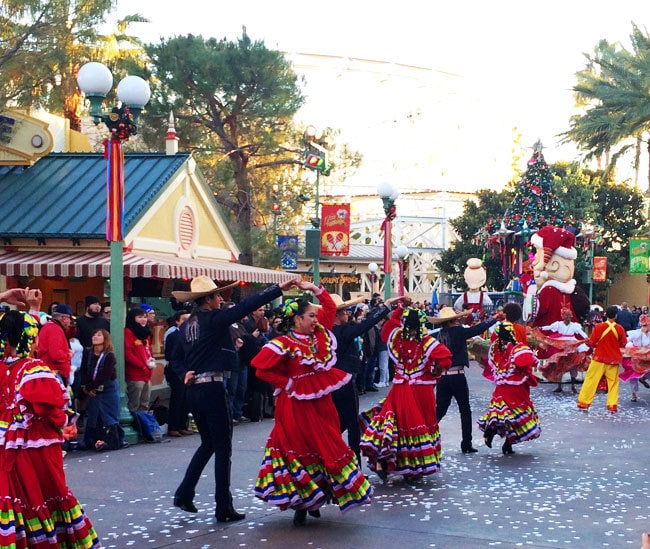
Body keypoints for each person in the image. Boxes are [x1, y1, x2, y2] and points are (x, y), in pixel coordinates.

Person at [172, 275, 298, 523]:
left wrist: (182, 373)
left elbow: (176, 358)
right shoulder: (214, 319)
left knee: (208, 443)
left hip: (194, 389)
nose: (221, 299)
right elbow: (246, 306)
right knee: (222, 447)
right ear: (208, 300)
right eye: (217, 296)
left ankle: (185, 493)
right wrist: (277, 289)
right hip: (212, 387)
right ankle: (223, 506)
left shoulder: (188, 325)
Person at [252, 282, 373, 527]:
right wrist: (286, 384)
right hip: (295, 404)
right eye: (309, 316)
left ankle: (317, 496)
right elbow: (260, 368)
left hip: (320, 402)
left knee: (325, 446)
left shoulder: (318, 336)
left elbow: (329, 307)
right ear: (296, 319)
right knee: (297, 448)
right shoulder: (284, 343)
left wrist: (314, 288)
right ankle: (302, 502)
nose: (314, 320)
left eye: (314, 316)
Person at [0, 308, 101, 547]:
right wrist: (64, 422)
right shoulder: (33, 369)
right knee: (47, 493)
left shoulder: (3, 368)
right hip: (36, 446)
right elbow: (52, 409)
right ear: (30, 337)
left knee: (16, 496)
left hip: (7, 443)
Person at [360, 303, 452, 482]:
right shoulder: (428, 343)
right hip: (420, 391)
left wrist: (400, 308)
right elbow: (446, 359)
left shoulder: (396, 338)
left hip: (400, 388)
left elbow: (388, 327)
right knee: (421, 424)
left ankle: (384, 460)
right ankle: (413, 466)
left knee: (395, 424)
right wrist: (434, 371)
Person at [331, 293, 397, 463]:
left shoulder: (325, 332)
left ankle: (330, 452)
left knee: (338, 421)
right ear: (337, 314)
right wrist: (385, 307)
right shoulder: (341, 331)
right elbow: (367, 324)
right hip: (344, 381)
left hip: (329, 383)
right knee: (351, 423)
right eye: (345, 312)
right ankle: (354, 465)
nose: (348, 314)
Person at [433, 305, 501, 454]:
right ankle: (466, 443)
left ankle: (425, 435)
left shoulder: (439, 334)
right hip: (457, 375)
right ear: (452, 321)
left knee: (440, 410)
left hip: (443, 377)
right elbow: (476, 330)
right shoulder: (458, 331)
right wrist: (493, 319)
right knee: (465, 410)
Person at [478, 321, 541, 455]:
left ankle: (495, 434)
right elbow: (528, 361)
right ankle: (507, 443)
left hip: (501, 388)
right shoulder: (518, 348)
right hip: (516, 388)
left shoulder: (495, 348)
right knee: (516, 417)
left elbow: (492, 365)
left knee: (503, 414)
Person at [80, 329, 128, 451]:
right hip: (93, 388)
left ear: (105, 339)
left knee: (109, 415)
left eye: (99, 335)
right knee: (94, 415)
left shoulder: (109, 356)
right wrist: (85, 386)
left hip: (108, 389)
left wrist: (90, 387)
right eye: (94, 334)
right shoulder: (88, 353)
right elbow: (84, 370)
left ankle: (112, 441)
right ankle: (92, 441)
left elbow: (105, 374)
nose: (95, 336)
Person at [577, 305, 627, 413]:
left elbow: (591, 342)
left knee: (591, 380)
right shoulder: (620, 328)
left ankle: (584, 403)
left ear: (605, 315)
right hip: (613, 359)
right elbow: (623, 343)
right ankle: (612, 405)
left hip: (599, 358)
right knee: (613, 383)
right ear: (616, 316)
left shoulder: (599, 327)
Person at [537, 306, 590, 393]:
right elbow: (549, 327)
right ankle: (559, 386)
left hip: (572, 346)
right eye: (566, 316)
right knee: (560, 365)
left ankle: (573, 386)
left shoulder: (575, 326)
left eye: (569, 316)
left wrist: (586, 337)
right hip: (561, 346)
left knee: (573, 365)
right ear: (563, 316)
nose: (568, 318)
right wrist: (541, 328)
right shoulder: (558, 324)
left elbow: (581, 333)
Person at [164, 310, 194, 436]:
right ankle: (173, 426)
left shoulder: (191, 334)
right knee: (177, 398)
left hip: (189, 369)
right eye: (184, 319)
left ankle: (183, 425)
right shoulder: (173, 335)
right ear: (177, 321)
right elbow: (170, 355)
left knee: (186, 399)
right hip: (176, 371)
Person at [124, 306, 155, 412]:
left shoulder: (146, 333)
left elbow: (149, 349)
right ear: (133, 318)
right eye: (140, 317)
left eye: (145, 317)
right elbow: (128, 353)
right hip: (135, 375)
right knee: (134, 404)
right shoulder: (128, 332)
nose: (143, 319)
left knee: (145, 404)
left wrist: (151, 361)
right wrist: (142, 365)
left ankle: (143, 426)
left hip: (147, 374)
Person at [38, 302, 74, 386]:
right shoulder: (55, 329)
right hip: (54, 374)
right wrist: (68, 354)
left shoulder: (48, 326)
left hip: (49, 372)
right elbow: (55, 354)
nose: (70, 322)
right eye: (69, 319)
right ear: (64, 318)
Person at [622, 314, 650, 402]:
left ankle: (643, 378)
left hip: (646, 357)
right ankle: (633, 393)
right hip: (636, 358)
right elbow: (625, 341)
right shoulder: (636, 333)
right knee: (632, 375)